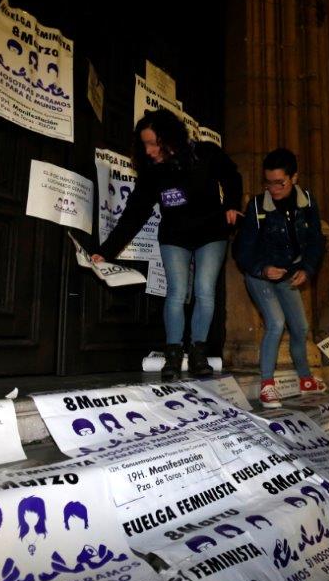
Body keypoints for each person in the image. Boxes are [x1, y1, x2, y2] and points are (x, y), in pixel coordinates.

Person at [92, 109, 242, 381]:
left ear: (169, 138)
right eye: (144, 144)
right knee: (176, 292)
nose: (148, 151)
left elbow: (232, 175)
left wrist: (232, 203)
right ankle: (172, 354)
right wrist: (105, 251)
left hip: (211, 232)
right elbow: (134, 214)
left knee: (205, 290)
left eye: (153, 143)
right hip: (176, 235)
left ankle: (198, 352)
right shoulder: (152, 173)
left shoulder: (204, 153)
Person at [234, 148, 326, 408]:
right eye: (268, 183)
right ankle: (267, 385)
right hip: (260, 273)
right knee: (276, 322)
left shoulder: (307, 202)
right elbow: (243, 250)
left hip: (288, 272)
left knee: (301, 327)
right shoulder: (256, 205)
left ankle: (305, 379)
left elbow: (316, 240)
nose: (273, 189)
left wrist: (307, 268)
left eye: (280, 183)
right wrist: (262, 269)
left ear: (294, 178)